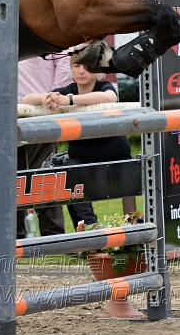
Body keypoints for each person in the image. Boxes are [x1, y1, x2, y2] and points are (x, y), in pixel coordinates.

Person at [0, 54, 72, 238]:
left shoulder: (46, 24)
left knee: (44, 177)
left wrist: (53, 96)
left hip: (41, 112)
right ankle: (12, 239)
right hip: (1, 112)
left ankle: (53, 238)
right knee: (8, 180)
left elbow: (63, 58)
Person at [22, 58, 130, 228]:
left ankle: (89, 229)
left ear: (98, 70)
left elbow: (110, 97)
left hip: (112, 157)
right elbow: (27, 99)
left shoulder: (103, 87)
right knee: (66, 173)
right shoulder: (66, 92)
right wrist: (46, 97)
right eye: (76, 66)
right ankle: (86, 230)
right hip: (80, 160)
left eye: (88, 66)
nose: (81, 71)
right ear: (70, 69)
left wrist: (70, 101)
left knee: (72, 174)